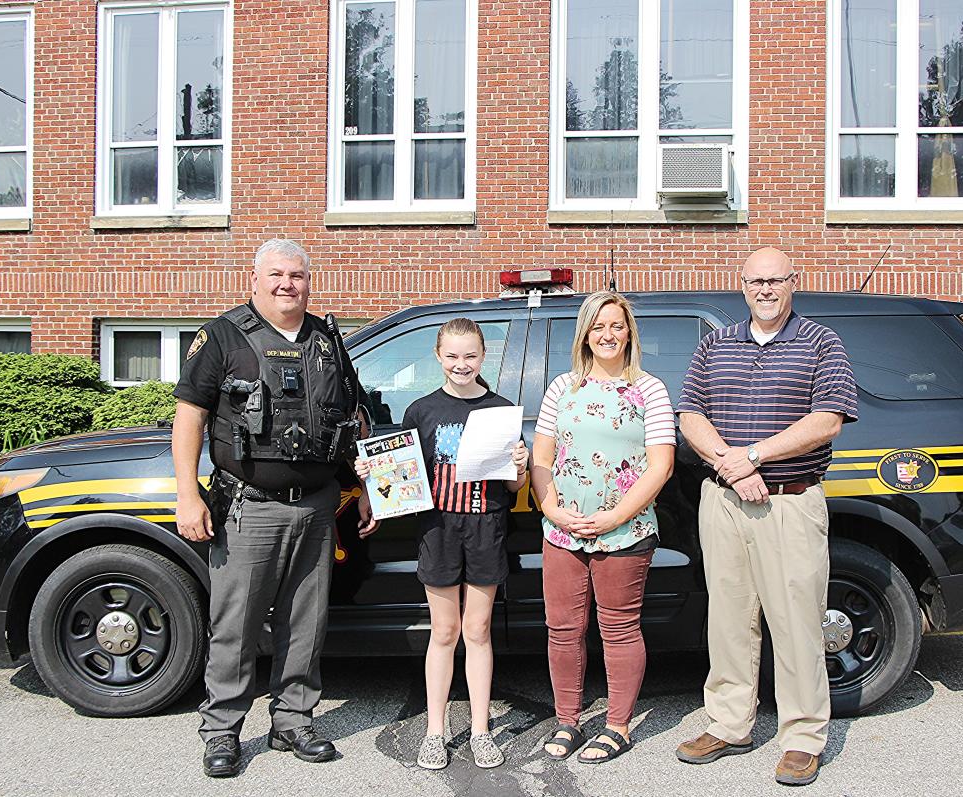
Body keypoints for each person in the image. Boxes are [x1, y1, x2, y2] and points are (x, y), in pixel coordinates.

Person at [172, 239, 377, 778]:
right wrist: (187, 493)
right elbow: (189, 416)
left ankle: (293, 719)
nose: (288, 285)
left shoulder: (328, 339)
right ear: (255, 279)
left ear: (310, 282)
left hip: (317, 506)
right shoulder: (221, 337)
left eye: (298, 276)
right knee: (235, 623)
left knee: (306, 622)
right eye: (277, 275)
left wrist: (364, 489)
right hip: (249, 505)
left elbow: (352, 421)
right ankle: (222, 730)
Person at [675, 247, 857, 786]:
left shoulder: (822, 343)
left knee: (797, 622)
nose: (765, 290)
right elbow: (691, 414)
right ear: (743, 285)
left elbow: (828, 420)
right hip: (724, 499)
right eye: (756, 281)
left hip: (790, 501)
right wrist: (732, 468)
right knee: (729, 620)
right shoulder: (717, 344)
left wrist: (755, 456)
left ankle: (802, 737)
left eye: (775, 280)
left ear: (793, 282)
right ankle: (730, 725)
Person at [356, 318, 528, 770]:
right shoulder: (421, 411)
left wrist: (520, 466)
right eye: (452, 356)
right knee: (445, 632)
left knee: (478, 632)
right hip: (437, 532)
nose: (461, 364)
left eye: (470, 356)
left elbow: (513, 490)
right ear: (438, 356)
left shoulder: (501, 409)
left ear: (482, 357)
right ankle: (435, 731)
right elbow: (404, 477)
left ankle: (480, 730)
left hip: (486, 529)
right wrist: (375, 478)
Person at [530, 291, 676, 764]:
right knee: (563, 629)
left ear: (629, 331)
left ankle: (617, 725)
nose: (608, 335)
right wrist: (551, 509)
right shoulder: (562, 387)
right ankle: (567, 721)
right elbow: (542, 458)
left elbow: (661, 466)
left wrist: (615, 516)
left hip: (625, 532)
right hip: (563, 531)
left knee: (618, 628)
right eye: (598, 327)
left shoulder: (650, 390)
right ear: (585, 335)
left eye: (616, 326)